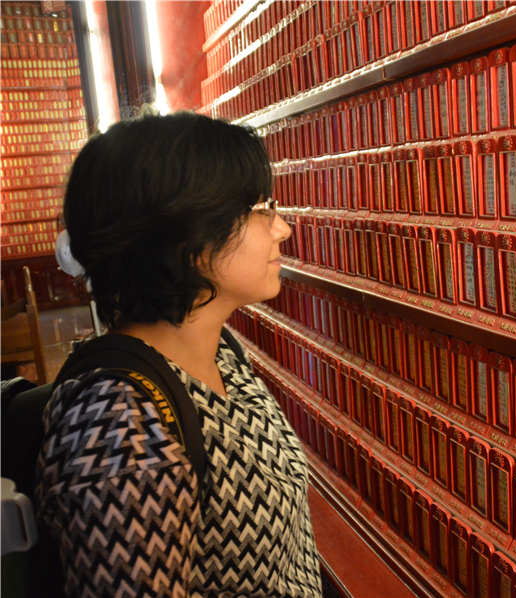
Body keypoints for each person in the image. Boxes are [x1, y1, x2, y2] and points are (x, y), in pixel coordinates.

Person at [35, 112, 323, 597]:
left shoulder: (221, 352)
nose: (283, 229)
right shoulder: (118, 427)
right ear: (186, 234)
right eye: (260, 208)